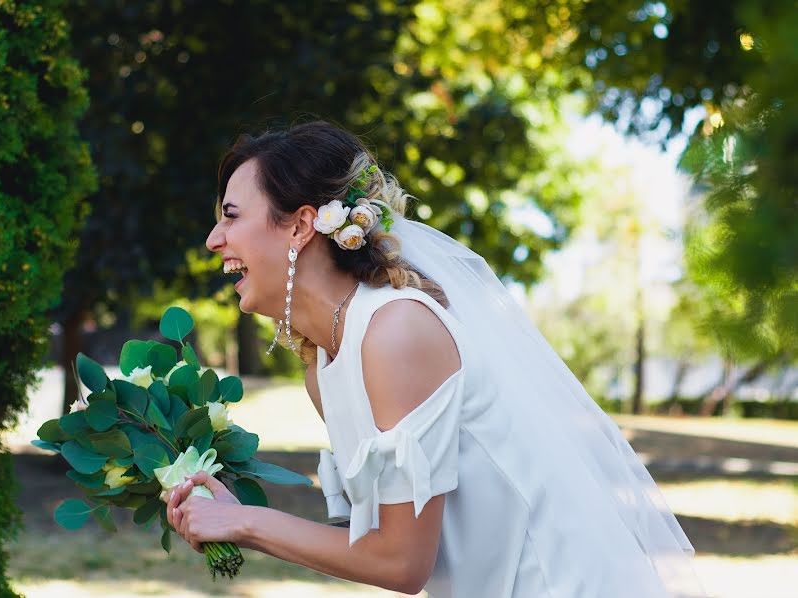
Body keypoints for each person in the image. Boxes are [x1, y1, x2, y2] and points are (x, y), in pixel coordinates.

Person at [165, 121, 706, 597]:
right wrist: (228, 511)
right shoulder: (323, 366)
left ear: (301, 225)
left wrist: (244, 523)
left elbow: (400, 562)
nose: (214, 239)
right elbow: (381, 546)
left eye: (231, 217)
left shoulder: (395, 330)